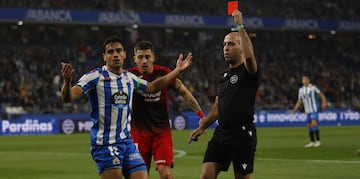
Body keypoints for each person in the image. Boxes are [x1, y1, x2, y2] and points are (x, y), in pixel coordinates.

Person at [60, 35, 193, 179]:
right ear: (104, 57)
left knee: (142, 176)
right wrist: (67, 82)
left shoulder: (129, 78)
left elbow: (152, 87)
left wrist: (177, 71)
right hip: (105, 144)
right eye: (111, 52)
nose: (115, 54)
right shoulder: (95, 77)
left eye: (119, 51)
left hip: (126, 143)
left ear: (124, 55)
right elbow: (68, 97)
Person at [189, 9, 259, 179]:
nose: (226, 48)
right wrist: (203, 126)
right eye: (224, 44)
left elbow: (250, 56)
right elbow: (218, 106)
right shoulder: (223, 76)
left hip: (242, 134)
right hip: (221, 133)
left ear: (241, 47)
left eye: (231, 44)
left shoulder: (248, 71)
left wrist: (240, 26)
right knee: (206, 175)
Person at [126, 40, 205, 179]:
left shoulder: (164, 73)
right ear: (134, 59)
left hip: (161, 133)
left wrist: (202, 116)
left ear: (153, 57)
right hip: (138, 134)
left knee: (166, 174)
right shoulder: (127, 76)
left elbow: (186, 94)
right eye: (140, 57)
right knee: (139, 176)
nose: (144, 61)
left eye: (147, 57)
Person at [291, 75, 327, 148]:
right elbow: (299, 101)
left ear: (308, 80)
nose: (304, 81)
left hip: (314, 109)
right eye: (303, 79)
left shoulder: (313, 88)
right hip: (307, 111)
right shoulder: (301, 90)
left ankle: (318, 141)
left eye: (305, 79)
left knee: (313, 124)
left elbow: (321, 94)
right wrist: (295, 109)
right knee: (310, 127)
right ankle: (312, 142)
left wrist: (324, 102)